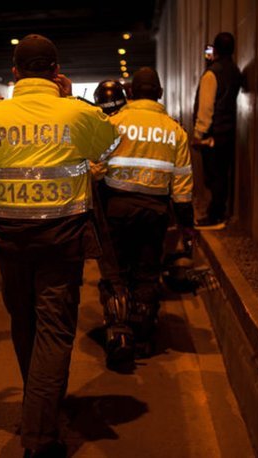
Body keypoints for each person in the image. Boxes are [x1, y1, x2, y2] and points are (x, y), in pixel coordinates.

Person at [0, 34, 118, 457]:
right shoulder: (76, 113)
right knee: (54, 331)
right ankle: (41, 434)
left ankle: (39, 409)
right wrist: (76, 103)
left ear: (14, 73)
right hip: (62, 240)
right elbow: (111, 145)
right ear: (56, 72)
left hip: (8, 240)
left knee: (24, 324)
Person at [97, 70, 194, 356]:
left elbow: (97, 168)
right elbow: (183, 185)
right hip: (155, 212)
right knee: (147, 272)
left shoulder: (114, 123)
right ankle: (142, 336)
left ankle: (118, 333)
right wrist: (187, 227)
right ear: (160, 94)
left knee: (117, 273)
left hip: (117, 207)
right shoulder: (175, 130)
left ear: (131, 93)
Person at [192, 32, 242, 230]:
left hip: (212, 134)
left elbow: (206, 107)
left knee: (213, 176)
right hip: (228, 131)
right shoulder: (235, 71)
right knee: (222, 174)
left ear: (216, 49)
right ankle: (219, 213)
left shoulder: (212, 73)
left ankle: (215, 217)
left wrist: (199, 133)